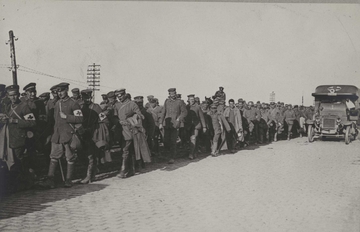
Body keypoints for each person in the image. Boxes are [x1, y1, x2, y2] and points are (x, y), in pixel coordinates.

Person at [40, 83, 83, 188]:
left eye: (62, 91)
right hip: (57, 135)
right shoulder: (57, 103)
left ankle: (68, 180)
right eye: (58, 91)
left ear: (67, 90)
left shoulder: (73, 103)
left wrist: (67, 117)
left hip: (68, 134)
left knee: (70, 157)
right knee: (54, 157)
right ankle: (50, 180)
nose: (60, 93)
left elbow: (80, 119)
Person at [0, 85, 36, 192]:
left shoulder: (24, 107)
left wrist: (14, 121)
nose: (13, 98)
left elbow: (32, 122)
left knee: (17, 162)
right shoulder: (8, 107)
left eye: (15, 95)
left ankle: (21, 185)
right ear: (8, 96)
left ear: (19, 95)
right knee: (12, 162)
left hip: (19, 138)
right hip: (9, 138)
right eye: (11, 96)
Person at [80, 89, 110, 184]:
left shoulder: (96, 107)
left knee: (91, 155)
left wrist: (97, 127)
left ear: (91, 97)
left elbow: (105, 120)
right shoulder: (80, 107)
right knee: (86, 155)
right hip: (83, 134)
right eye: (85, 98)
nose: (87, 99)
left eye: (88, 97)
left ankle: (89, 176)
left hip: (94, 134)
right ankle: (91, 174)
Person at [113, 89, 145, 178]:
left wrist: (133, 118)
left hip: (129, 130)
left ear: (125, 95)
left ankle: (123, 170)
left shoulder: (132, 104)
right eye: (118, 96)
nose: (119, 98)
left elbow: (139, 115)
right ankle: (132, 169)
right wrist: (119, 122)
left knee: (125, 150)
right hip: (120, 130)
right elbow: (114, 117)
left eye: (121, 96)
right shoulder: (117, 105)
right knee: (129, 150)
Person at [159, 88, 187, 164]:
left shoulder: (179, 102)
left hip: (176, 124)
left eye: (174, 93)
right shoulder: (167, 102)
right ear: (169, 94)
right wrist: (161, 123)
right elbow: (163, 112)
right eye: (171, 94)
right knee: (165, 141)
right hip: (167, 124)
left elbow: (184, 112)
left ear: (176, 94)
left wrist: (179, 119)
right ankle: (167, 155)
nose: (173, 95)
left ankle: (172, 157)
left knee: (173, 141)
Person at [185, 94, 207, 159]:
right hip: (188, 126)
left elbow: (201, 117)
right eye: (191, 100)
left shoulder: (197, 107)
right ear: (188, 100)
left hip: (196, 125)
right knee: (192, 139)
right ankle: (195, 151)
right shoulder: (186, 107)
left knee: (193, 138)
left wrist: (204, 127)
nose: (192, 101)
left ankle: (191, 154)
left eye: (193, 99)